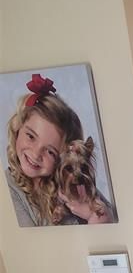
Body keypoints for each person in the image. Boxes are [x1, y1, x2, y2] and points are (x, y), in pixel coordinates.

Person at [5, 74, 83, 226]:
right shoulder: (8, 187)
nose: (36, 154)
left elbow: (105, 215)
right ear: (18, 128)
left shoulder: (74, 183)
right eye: (31, 136)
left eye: (50, 152)